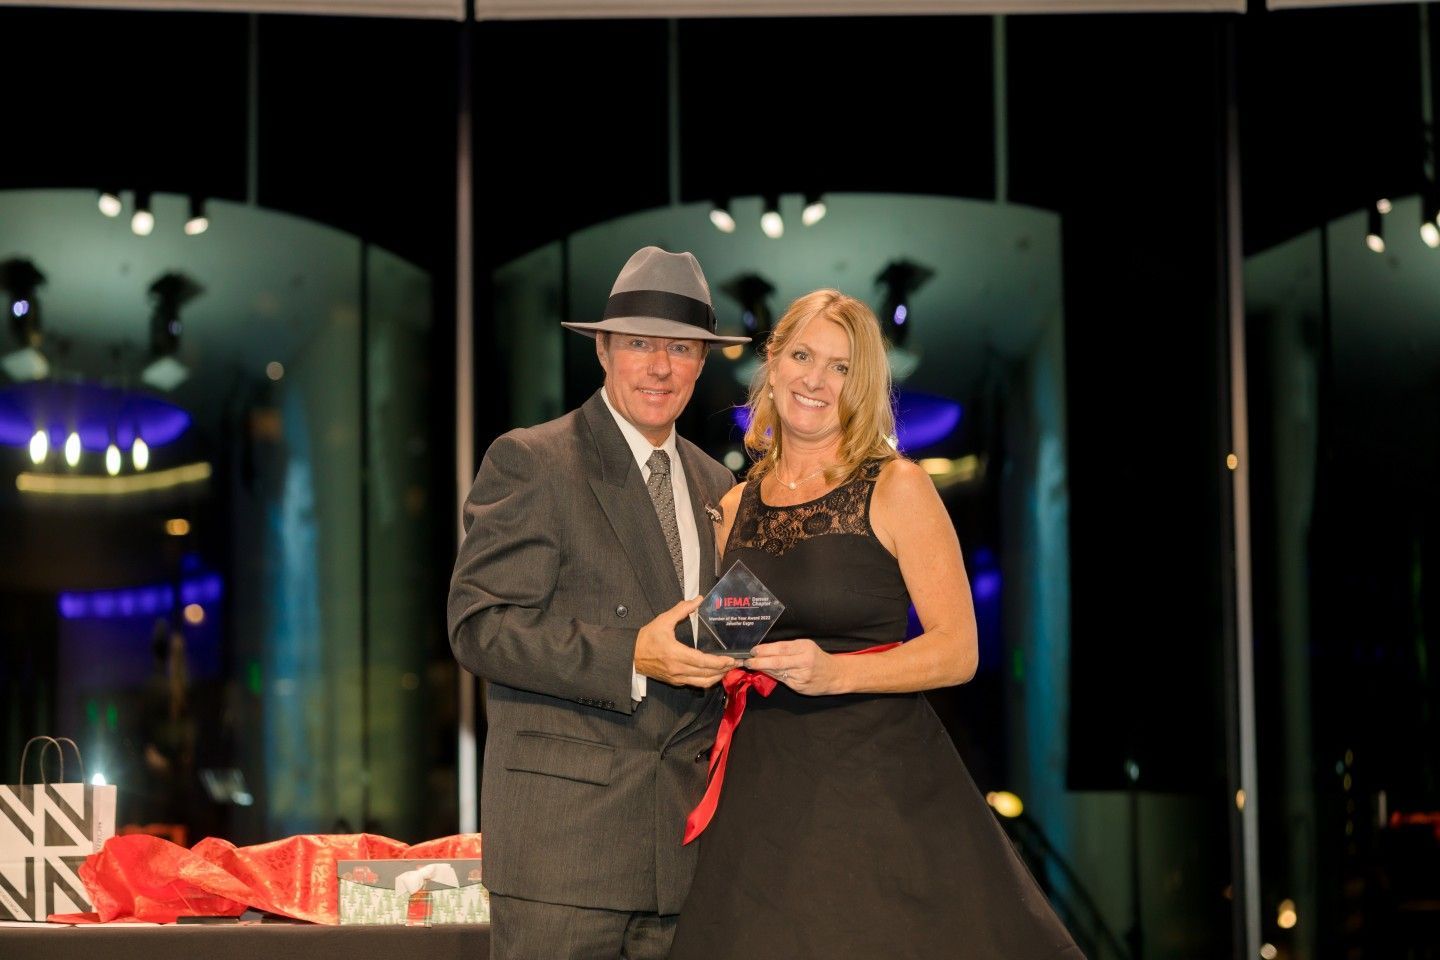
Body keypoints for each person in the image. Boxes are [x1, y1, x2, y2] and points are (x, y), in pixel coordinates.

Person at [669, 290, 1084, 959]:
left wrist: (836, 672)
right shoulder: (735, 503)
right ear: (771, 364)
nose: (815, 379)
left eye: (840, 367)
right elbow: (729, 636)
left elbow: (958, 652)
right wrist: (680, 648)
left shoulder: (898, 487)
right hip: (761, 799)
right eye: (803, 355)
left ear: (861, 386)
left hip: (877, 788)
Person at [447, 246, 750, 960]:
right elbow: (479, 627)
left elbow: (718, 638)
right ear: (605, 350)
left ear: (702, 363)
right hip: (564, 854)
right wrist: (631, 656)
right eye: (640, 343)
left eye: (679, 348)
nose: (660, 366)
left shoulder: (720, 488)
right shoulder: (534, 459)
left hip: (683, 857)